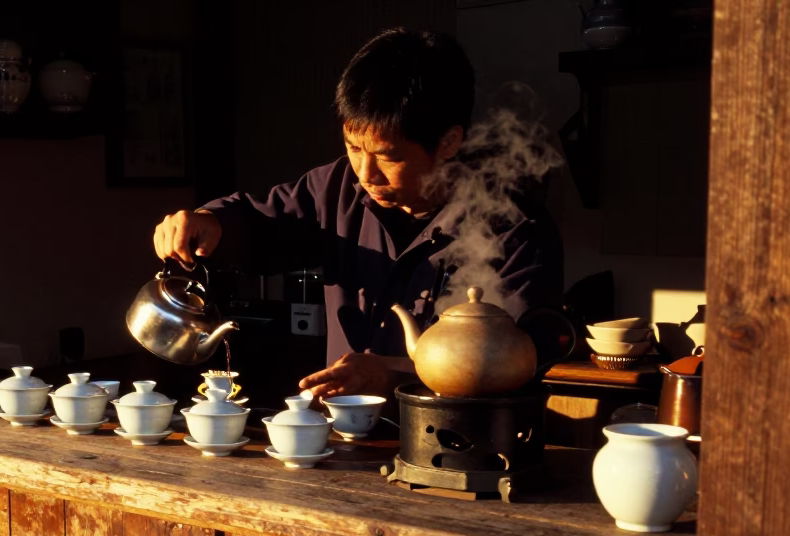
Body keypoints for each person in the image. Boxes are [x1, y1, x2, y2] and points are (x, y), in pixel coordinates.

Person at [152, 28, 563, 399]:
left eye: (388, 156)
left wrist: (393, 374)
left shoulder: (512, 228)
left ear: (449, 142)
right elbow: (262, 225)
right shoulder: (334, 187)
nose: (366, 173)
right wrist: (208, 222)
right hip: (343, 439)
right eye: (353, 147)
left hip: (461, 442)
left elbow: (515, 361)